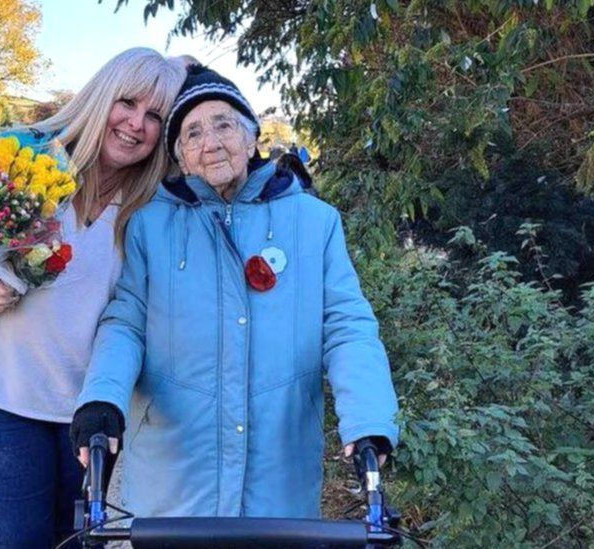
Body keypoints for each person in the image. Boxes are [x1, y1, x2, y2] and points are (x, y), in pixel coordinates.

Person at [70, 64, 398, 519]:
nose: (211, 142)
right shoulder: (149, 226)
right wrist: (101, 400)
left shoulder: (315, 223)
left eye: (224, 124)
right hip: (176, 473)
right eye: (193, 132)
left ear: (251, 137)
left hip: (279, 472)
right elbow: (125, 322)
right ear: (180, 156)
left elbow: (348, 327)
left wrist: (368, 420)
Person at [0, 48, 186, 548]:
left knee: (78, 539)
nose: (136, 124)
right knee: (20, 539)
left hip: (91, 407)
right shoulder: (19, 159)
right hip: (6, 397)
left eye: (154, 115)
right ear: (101, 95)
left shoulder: (151, 204)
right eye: (127, 102)